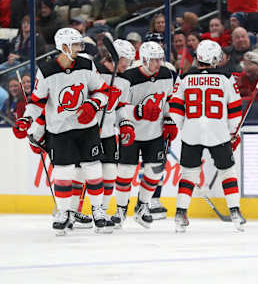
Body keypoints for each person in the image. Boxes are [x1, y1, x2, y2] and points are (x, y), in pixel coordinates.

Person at [12, 27, 112, 235]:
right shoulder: (47, 70)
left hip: (86, 128)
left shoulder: (86, 64)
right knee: (63, 172)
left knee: (92, 169)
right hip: (59, 130)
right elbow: (37, 102)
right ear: (64, 47)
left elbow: (103, 91)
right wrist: (26, 119)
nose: (79, 48)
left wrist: (93, 105)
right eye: (76, 45)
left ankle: (98, 210)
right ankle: (64, 212)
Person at [169, 40, 245, 232]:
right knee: (227, 172)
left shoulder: (184, 78)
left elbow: (175, 109)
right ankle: (235, 211)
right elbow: (235, 110)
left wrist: (184, 127)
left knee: (188, 174)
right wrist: (232, 133)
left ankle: (180, 213)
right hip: (218, 132)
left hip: (191, 132)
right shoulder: (227, 78)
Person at [112, 41, 177, 229]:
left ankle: (142, 207)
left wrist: (169, 119)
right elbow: (120, 106)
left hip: (154, 134)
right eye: (155, 60)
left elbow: (167, 101)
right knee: (124, 172)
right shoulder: (129, 77)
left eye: (160, 59)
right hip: (130, 132)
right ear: (145, 60)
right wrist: (138, 111)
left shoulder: (166, 74)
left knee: (155, 171)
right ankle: (121, 209)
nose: (159, 64)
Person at [93, 39, 136, 223]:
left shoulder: (124, 80)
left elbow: (120, 106)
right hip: (88, 132)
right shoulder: (93, 72)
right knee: (83, 173)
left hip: (109, 132)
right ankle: (71, 210)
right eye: (127, 61)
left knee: (110, 171)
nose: (129, 65)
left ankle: (102, 210)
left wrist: (125, 122)